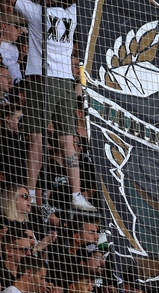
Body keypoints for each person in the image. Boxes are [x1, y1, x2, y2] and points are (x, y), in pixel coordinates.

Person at [14, 0, 98, 212]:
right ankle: (76, 194)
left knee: (37, 139)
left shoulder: (36, 10)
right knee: (68, 141)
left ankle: (31, 192)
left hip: (41, 81)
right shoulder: (74, 13)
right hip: (66, 83)